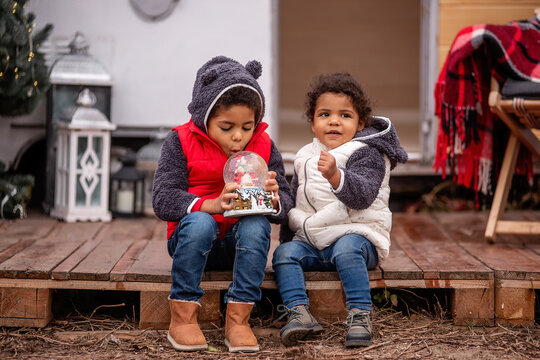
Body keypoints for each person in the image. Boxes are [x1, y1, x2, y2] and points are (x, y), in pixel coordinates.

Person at [152, 56, 293, 353]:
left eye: (247, 126)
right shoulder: (180, 141)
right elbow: (163, 198)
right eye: (227, 127)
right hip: (190, 241)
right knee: (201, 222)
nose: (239, 137)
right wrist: (211, 205)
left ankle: (239, 321)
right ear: (205, 117)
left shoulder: (264, 145)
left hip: (238, 248)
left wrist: (274, 199)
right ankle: (184, 318)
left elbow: (287, 201)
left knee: (256, 223)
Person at [272, 73, 407, 347]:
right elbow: (298, 200)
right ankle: (299, 312)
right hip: (315, 240)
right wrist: (288, 232)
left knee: (346, 249)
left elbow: (364, 196)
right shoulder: (304, 156)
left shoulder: (367, 151)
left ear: (360, 123)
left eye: (345, 115)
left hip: (359, 237)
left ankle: (360, 314)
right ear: (312, 123)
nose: (334, 121)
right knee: (284, 254)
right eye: (324, 114)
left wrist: (336, 176)